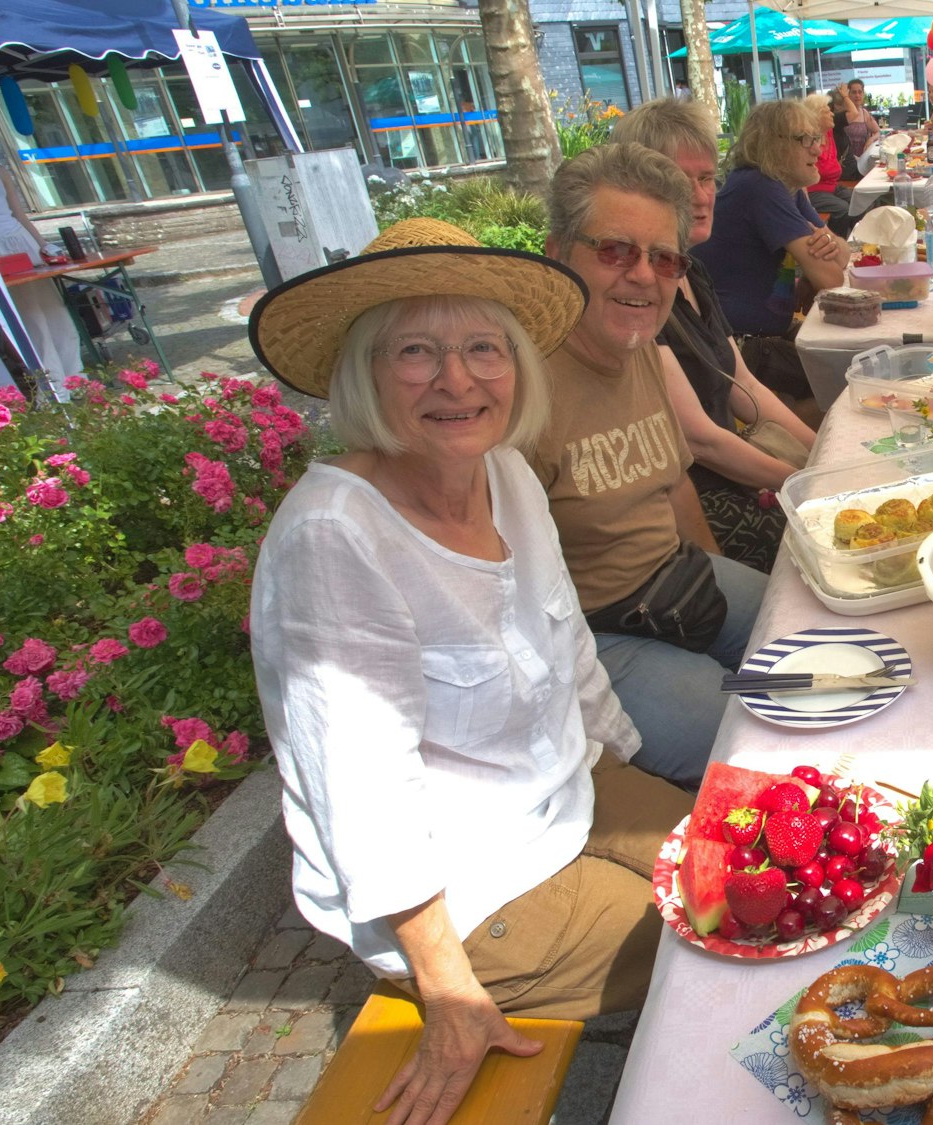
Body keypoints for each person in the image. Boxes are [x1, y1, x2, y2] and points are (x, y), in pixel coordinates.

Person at [246, 217, 692, 1125]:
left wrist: (631, 780)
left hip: (566, 788)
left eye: (484, 348)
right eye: (417, 351)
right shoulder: (335, 536)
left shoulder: (506, 474)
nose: (457, 380)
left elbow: (569, 648)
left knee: (756, 856)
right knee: (735, 933)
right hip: (472, 884)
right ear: (367, 373)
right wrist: (446, 986)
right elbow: (359, 791)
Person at [537, 142, 768, 788]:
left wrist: (713, 592)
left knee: (822, 651)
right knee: (747, 735)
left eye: (665, 258)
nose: (643, 276)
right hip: (596, 634)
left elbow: (674, 487)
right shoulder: (517, 390)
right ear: (557, 255)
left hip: (673, 583)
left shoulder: (636, 345)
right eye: (615, 251)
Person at [614, 98, 819, 574]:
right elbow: (700, 440)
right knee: (820, 556)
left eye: (706, 178)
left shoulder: (691, 270)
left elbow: (742, 383)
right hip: (689, 501)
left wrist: (823, 456)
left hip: (735, 472)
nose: (700, 195)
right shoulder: (635, 293)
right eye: (678, 179)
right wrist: (810, 482)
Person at [691, 98, 850, 416]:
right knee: (844, 381)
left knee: (846, 359)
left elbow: (843, 255)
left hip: (766, 334)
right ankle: (789, 438)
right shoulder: (760, 187)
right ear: (772, 144)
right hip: (741, 349)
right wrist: (818, 261)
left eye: (816, 138)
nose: (817, 149)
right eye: (804, 139)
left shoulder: (787, 188)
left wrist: (823, 252)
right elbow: (831, 279)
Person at [0, 112, 84, 393]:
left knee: (55, 312)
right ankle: (54, 390)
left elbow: (19, 214)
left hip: (22, 245)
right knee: (30, 320)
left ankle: (77, 380)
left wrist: (45, 245)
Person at [803, 94, 856, 237]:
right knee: (842, 209)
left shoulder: (829, 132)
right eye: (827, 111)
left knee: (859, 201)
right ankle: (836, 242)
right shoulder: (807, 140)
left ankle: (858, 240)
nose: (832, 114)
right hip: (814, 191)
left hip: (832, 186)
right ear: (816, 115)